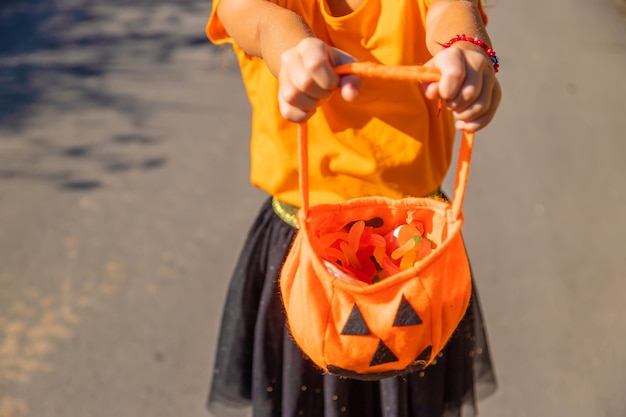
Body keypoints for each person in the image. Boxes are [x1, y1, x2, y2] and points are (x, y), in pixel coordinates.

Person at [206, 0, 501, 416]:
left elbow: (449, 10)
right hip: (307, 258)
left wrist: (467, 49)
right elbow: (255, 16)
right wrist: (292, 49)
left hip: (415, 255)